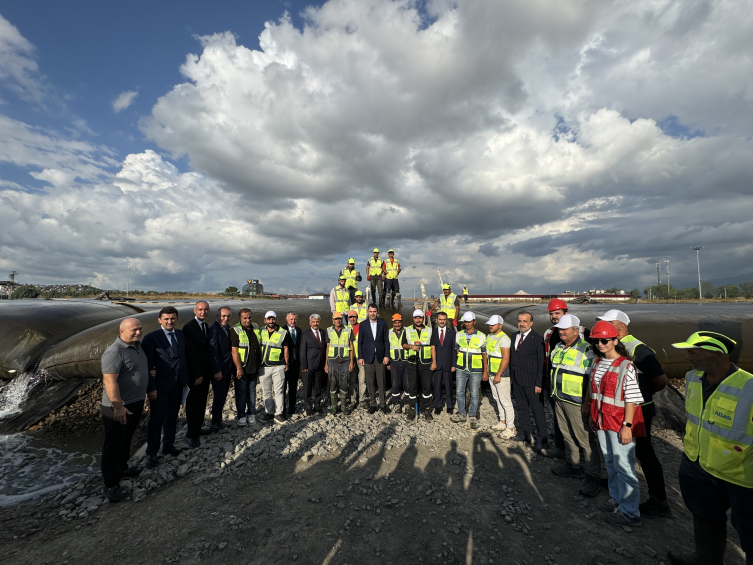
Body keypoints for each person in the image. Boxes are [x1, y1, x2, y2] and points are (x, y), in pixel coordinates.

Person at [667, 332, 753, 565]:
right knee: (704, 516)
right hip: (698, 464)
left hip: (739, 474)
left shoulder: (749, 387)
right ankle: (705, 561)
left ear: (717, 353)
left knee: (749, 532)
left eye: (694, 351)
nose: (688, 357)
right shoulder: (693, 378)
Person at [596, 309, 671, 518]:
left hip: (638, 409)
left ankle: (659, 500)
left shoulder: (638, 349)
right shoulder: (611, 346)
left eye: (608, 323)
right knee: (620, 453)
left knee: (644, 454)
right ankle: (620, 493)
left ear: (620, 325)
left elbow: (661, 380)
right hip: (619, 409)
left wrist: (643, 395)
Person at [586, 321, 644, 527]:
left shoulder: (626, 366)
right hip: (602, 421)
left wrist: (627, 425)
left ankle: (630, 511)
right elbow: (595, 395)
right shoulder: (596, 363)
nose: (600, 344)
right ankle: (618, 499)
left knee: (624, 466)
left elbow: (632, 399)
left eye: (605, 340)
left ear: (615, 340)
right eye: (597, 341)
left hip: (619, 423)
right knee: (610, 463)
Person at [549, 313, 601, 497]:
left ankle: (593, 476)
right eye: (559, 329)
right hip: (559, 398)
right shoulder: (558, 347)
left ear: (576, 330)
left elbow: (591, 379)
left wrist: (587, 403)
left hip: (576, 402)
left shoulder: (586, 350)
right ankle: (573, 465)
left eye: (564, 329)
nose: (561, 332)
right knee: (566, 434)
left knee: (584, 439)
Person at [100, 318, 149, 502]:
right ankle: (111, 484)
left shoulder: (138, 346)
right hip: (117, 405)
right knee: (112, 445)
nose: (138, 332)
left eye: (140, 329)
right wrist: (118, 406)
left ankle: (122, 468)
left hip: (135, 401)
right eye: (134, 330)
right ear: (121, 331)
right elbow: (109, 381)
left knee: (126, 438)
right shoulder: (114, 352)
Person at [142, 307, 189, 469]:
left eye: (173, 318)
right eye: (166, 319)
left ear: (177, 319)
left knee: (172, 418)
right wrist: (151, 388)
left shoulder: (181, 335)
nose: (170, 322)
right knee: (156, 421)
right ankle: (151, 453)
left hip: (177, 384)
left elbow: (182, 358)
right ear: (159, 320)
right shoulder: (151, 338)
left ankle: (168, 445)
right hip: (160, 387)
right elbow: (147, 365)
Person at [543, 299, 590, 459]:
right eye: (551, 314)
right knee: (559, 419)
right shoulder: (549, 333)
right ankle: (562, 449)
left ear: (566, 313)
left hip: (577, 389)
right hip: (556, 385)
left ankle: (583, 455)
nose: (554, 316)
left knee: (579, 425)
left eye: (557, 313)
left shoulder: (584, 333)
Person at [509, 312, 548, 448]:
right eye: (519, 321)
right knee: (522, 408)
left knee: (537, 411)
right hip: (518, 380)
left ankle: (542, 439)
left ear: (531, 323)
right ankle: (524, 434)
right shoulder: (514, 336)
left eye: (525, 321)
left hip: (532, 382)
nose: (522, 324)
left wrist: (539, 383)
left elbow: (540, 364)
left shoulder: (538, 339)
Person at [183, 301, 214, 447]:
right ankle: (191, 434)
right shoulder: (189, 327)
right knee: (193, 403)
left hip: (205, 371)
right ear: (195, 311)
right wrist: (196, 374)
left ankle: (198, 427)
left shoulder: (205, 326)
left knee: (202, 401)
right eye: (200, 309)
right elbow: (190, 353)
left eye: (206, 309)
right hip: (195, 374)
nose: (203, 312)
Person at [451, 311, 487, 430]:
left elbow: (484, 354)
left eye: (469, 321)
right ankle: (461, 413)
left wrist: (485, 371)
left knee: (475, 393)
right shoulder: (459, 335)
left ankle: (472, 415)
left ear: (474, 322)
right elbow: (457, 349)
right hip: (461, 368)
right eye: (465, 322)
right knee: (460, 391)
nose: (467, 323)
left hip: (476, 369)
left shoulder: (481, 336)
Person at [230, 308, 262, 425]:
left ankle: (251, 413)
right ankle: (241, 415)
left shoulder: (256, 327)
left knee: (252, 391)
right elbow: (234, 351)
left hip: (254, 366)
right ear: (240, 318)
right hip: (242, 367)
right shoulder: (235, 330)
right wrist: (238, 368)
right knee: (241, 392)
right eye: (245, 318)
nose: (247, 320)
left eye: (249, 317)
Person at [258, 311, 291, 424]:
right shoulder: (260, 331)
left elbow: (286, 349)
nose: (271, 321)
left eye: (273, 319)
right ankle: (269, 413)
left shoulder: (283, 332)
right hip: (263, 366)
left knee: (279, 391)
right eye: (269, 319)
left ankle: (279, 413)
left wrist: (286, 363)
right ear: (265, 320)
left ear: (276, 319)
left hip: (278, 366)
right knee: (266, 391)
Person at [358, 303, 390, 414]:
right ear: (367, 312)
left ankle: (383, 404)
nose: (372, 313)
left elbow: (386, 340)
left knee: (381, 381)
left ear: (377, 312)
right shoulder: (362, 325)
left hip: (380, 356)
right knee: (370, 382)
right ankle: (373, 404)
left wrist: (387, 355)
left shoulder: (383, 323)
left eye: (374, 311)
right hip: (367, 357)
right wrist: (360, 357)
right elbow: (359, 342)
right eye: (370, 311)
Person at [485, 315, 513, 437]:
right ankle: (502, 422)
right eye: (490, 324)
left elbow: (506, 359)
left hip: (501, 376)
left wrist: (499, 374)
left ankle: (510, 428)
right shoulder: (490, 336)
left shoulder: (504, 339)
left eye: (493, 324)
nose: (490, 326)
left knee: (506, 401)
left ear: (500, 325)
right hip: (492, 372)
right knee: (497, 399)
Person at [207, 306, 233, 432]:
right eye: (223, 316)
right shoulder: (213, 330)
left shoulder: (226, 328)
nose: (225, 318)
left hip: (227, 369)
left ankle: (219, 420)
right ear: (217, 316)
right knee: (218, 397)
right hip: (219, 371)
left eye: (228, 316)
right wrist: (216, 371)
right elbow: (213, 352)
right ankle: (215, 422)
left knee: (222, 396)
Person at [405, 309, 434, 421]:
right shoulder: (407, 330)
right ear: (413, 319)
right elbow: (403, 344)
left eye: (420, 317)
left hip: (426, 363)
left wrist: (434, 362)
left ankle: (427, 410)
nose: (418, 320)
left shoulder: (430, 330)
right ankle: (412, 410)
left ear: (423, 319)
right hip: (412, 363)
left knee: (426, 388)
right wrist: (411, 346)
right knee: (413, 388)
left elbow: (433, 347)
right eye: (416, 318)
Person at [325, 312, 354, 415]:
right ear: (333, 320)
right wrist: (326, 364)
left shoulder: (348, 330)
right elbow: (327, 348)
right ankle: (334, 407)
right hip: (332, 361)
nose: (338, 320)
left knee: (344, 383)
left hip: (345, 361)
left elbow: (351, 346)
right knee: (332, 383)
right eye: (336, 319)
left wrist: (351, 362)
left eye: (339, 319)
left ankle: (343, 407)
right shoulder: (329, 330)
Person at [300, 313, 328, 416]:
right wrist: (304, 366)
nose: (315, 323)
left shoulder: (323, 332)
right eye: (313, 322)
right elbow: (302, 351)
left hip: (320, 365)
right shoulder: (305, 334)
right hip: (309, 365)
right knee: (307, 387)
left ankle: (317, 405)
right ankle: (308, 407)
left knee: (318, 386)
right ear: (310, 323)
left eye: (317, 322)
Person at [430, 312, 457, 414]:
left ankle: (450, 405)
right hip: (437, 364)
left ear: (446, 321)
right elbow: (433, 348)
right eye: (440, 319)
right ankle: (438, 405)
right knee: (437, 386)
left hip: (448, 364)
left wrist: (454, 364)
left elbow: (454, 350)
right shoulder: (434, 332)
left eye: (444, 320)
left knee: (449, 386)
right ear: (437, 320)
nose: (442, 321)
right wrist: (434, 362)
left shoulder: (452, 333)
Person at [387, 313, 410, 412]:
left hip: (406, 361)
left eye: (399, 322)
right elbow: (386, 348)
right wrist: (387, 362)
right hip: (394, 362)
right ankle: (396, 402)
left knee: (407, 383)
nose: (397, 324)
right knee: (395, 383)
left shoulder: (408, 331)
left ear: (401, 322)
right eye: (395, 322)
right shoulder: (388, 333)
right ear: (392, 323)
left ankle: (408, 402)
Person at [347, 310, 367, 411]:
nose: (352, 319)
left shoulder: (362, 327)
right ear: (348, 318)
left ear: (357, 317)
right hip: (350, 357)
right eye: (350, 317)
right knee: (352, 380)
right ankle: (353, 399)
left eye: (354, 317)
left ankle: (362, 399)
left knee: (362, 379)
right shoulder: (346, 329)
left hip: (361, 357)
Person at [283, 312, 302, 416]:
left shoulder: (299, 330)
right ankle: (283, 408)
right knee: (283, 387)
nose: (293, 321)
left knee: (293, 387)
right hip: (284, 364)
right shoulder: (281, 330)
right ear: (286, 319)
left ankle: (292, 408)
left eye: (295, 319)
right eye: (291, 319)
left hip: (295, 363)